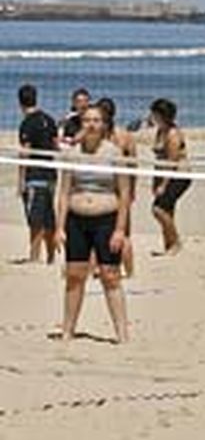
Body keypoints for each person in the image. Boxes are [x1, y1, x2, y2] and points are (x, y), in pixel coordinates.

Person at [53, 104, 132, 342]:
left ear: (104, 125)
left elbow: (125, 194)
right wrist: (59, 227)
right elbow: (64, 192)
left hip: (106, 218)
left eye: (96, 120)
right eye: (87, 120)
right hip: (76, 220)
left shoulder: (114, 153)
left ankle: (122, 333)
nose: (91, 124)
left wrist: (120, 229)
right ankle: (68, 330)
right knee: (75, 275)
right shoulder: (72, 154)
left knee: (110, 275)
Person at [96, 97, 139, 278]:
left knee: (120, 231)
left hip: (116, 188)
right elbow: (134, 167)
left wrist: (131, 190)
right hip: (110, 187)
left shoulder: (121, 137)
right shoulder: (118, 136)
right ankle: (116, 268)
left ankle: (126, 271)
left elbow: (133, 166)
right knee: (113, 230)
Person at [16, 84, 58, 265]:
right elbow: (56, 146)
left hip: (35, 176)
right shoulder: (49, 119)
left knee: (36, 219)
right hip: (51, 175)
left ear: (20, 103)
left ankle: (34, 257)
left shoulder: (28, 123)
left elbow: (25, 153)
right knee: (48, 217)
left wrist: (20, 180)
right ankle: (50, 257)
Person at [147, 98, 191, 255]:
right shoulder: (161, 130)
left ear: (160, 115)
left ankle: (176, 242)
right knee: (168, 209)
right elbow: (160, 160)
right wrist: (155, 180)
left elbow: (172, 163)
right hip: (163, 174)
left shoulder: (172, 134)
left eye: (153, 113)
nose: (150, 115)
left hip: (178, 176)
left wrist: (163, 185)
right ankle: (169, 246)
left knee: (158, 210)